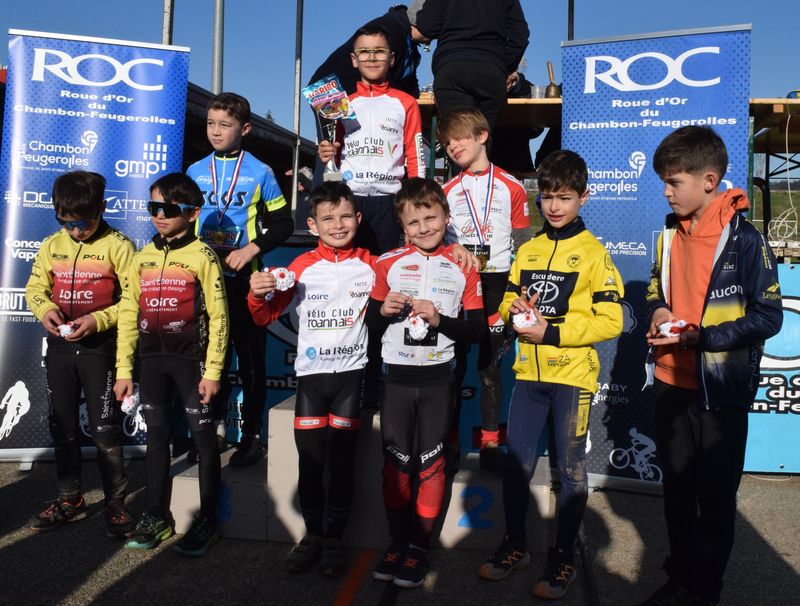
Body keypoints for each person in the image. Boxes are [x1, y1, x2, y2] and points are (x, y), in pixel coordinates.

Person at [639, 126, 782, 606]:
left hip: (720, 391)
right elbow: (655, 287)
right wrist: (658, 309)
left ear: (708, 180)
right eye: (664, 181)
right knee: (677, 494)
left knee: (715, 502)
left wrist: (704, 338)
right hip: (669, 382)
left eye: (673, 182)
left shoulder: (746, 240)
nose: (666, 191)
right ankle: (680, 579)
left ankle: (705, 591)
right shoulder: (668, 232)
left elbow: (769, 317)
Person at [478, 150, 624, 599]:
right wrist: (515, 309)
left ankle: (562, 557)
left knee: (571, 470)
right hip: (528, 376)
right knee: (517, 464)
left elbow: (612, 320)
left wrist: (552, 332)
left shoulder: (594, 253)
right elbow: (507, 300)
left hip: (572, 380)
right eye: (547, 197)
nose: (554, 206)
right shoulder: (529, 249)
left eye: (565, 197)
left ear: (584, 197)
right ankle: (515, 544)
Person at [248, 182, 374, 577]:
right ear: (313, 224)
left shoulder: (374, 264)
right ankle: (313, 536)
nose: (338, 225)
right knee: (311, 463)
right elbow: (264, 317)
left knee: (341, 463)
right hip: (311, 380)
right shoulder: (300, 267)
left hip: (351, 378)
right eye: (327, 218)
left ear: (358, 218)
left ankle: (335, 539)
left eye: (345, 216)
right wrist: (256, 294)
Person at [366, 177, 485, 588]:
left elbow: (476, 332)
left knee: (432, 464)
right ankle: (397, 541)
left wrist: (440, 320)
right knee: (396, 465)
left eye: (431, 218)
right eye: (413, 222)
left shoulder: (465, 265)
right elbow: (369, 323)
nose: (423, 228)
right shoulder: (387, 263)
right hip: (396, 379)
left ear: (446, 217)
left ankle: (419, 546)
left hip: (438, 381)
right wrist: (382, 311)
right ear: (402, 227)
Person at [114, 173, 228, 557]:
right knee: (157, 439)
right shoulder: (141, 257)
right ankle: (155, 516)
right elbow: (128, 313)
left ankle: (208, 520)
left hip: (191, 362)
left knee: (203, 440)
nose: (159, 216)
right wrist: (124, 370)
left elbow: (220, 317)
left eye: (168, 209)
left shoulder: (203, 256)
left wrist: (213, 371)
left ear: (193, 213)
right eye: (153, 208)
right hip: (151, 361)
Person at [24, 170, 135, 538]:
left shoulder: (119, 246)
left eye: (84, 224)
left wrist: (98, 320)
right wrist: (44, 309)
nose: (75, 232)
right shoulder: (51, 245)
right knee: (63, 427)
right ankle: (70, 500)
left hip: (99, 348)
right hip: (60, 348)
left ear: (102, 207)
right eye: (66, 223)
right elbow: (35, 289)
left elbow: (132, 303)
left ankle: (116, 506)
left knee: (105, 431)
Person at [187, 92, 293, 466]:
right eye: (211, 124)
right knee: (209, 357)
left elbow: (283, 223)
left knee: (249, 359)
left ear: (245, 129)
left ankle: (251, 436)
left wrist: (251, 250)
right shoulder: (194, 171)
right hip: (204, 279)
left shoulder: (261, 171)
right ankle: (211, 430)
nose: (215, 131)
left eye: (225, 125)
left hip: (244, 278)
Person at [438, 107, 532, 472]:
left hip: (497, 282)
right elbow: (435, 241)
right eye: (447, 142)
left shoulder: (512, 186)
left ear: (482, 136)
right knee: (454, 366)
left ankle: (491, 442)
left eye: (460, 137)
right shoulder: (445, 190)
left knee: (490, 369)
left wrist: (519, 289)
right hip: (459, 284)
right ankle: (449, 442)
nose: (453, 146)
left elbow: (523, 243)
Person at [317, 24, 425, 256]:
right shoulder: (342, 104)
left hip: (390, 201)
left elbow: (415, 156)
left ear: (391, 58)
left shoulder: (406, 103)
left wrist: (417, 206)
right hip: (348, 200)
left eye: (379, 51)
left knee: (385, 267)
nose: (372, 57)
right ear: (354, 60)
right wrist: (326, 156)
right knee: (348, 266)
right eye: (364, 52)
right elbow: (334, 156)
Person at [413, 0, 529, 134]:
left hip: (452, 67)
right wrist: (504, 67)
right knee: (481, 138)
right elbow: (520, 36)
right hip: (491, 71)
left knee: (458, 136)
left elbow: (427, 27)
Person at [308, 4, 423, 98]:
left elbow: (409, 84)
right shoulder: (390, 29)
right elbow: (384, 76)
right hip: (327, 88)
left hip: (357, 92)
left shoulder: (411, 47)